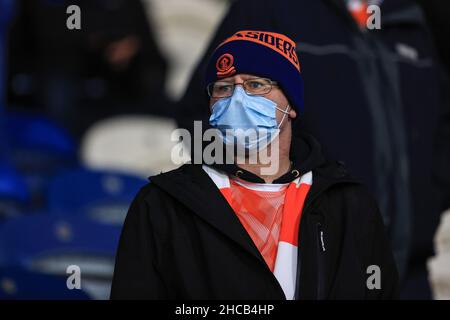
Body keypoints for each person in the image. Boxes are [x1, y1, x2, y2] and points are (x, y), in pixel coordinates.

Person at [176, 0, 450, 298]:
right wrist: (261, 201)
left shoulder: (414, 17)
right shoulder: (268, 10)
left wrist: (431, 197)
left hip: (406, 274)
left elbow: (441, 124)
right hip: (306, 271)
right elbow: (198, 121)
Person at [111, 30, 398, 300]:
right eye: (223, 88)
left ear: (291, 103)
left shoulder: (348, 204)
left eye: (256, 84)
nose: (237, 98)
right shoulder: (162, 206)